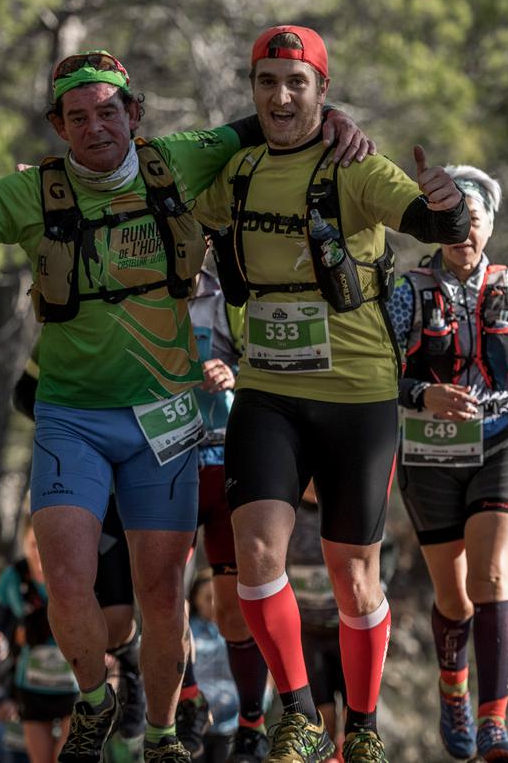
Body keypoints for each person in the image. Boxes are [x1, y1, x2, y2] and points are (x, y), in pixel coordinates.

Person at [0, 49, 371, 763]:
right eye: (78, 118)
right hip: (72, 417)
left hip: (166, 416)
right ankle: (93, 699)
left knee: (159, 590)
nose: (96, 128)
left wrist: (332, 119)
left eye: (109, 112)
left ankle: (158, 734)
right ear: (59, 127)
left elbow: (271, 119)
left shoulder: (177, 160)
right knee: (64, 576)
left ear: (134, 115)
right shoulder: (33, 195)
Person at [195, 25, 470, 762]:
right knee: (256, 552)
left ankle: (367, 726)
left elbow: (432, 221)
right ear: (252, 91)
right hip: (267, 389)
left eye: (298, 83)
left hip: (356, 394)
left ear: (323, 89)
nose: (282, 97)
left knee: (353, 578)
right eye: (267, 83)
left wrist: (447, 205)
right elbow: (172, 213)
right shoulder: (238, 170)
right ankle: (298, 716)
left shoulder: (357, 167)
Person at [388, 166, 508, 761]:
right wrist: (423, 394)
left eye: (474, 220)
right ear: (435, 226)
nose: (463, 231)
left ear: (490, 225)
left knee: (493, 575)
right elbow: (374, 370)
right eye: (453, 221)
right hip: (429, 451)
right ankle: (453, 689)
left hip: (499, 441)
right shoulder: (407, 290)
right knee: (454, 597)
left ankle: (495, 722)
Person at [11, 349, 149, 751]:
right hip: (80, 485)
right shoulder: (71, 314)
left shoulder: (156, 314)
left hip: (130, 489)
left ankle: (133, 670)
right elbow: (23, 393)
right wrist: (71, 424)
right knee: (72, 594)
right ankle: (94, 702)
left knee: (121, 620)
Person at [177, 255, 273, 762]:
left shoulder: (233, 288)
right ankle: (187, 699)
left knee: (233, 607)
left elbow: (272, 360)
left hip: (226, 454)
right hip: (165, 458)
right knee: (162, 593)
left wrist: (232, 371)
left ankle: (253, 722)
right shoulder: (144, 281)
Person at [0, 515, 78, 762]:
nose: (38, 552)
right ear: (23, 542)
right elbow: (0, 627)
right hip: (31, 688)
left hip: (72, 687)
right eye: (32, 544)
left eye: (43, 544)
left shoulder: (76, 575)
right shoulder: (13, 578)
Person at [186, 572, 242, 763]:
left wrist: (264, 697)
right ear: (195, 599)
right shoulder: (187, 632)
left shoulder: (236, 629)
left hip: (230, 725)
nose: (212, 604)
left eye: (216, 597)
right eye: (207, 598)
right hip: (194, 726)